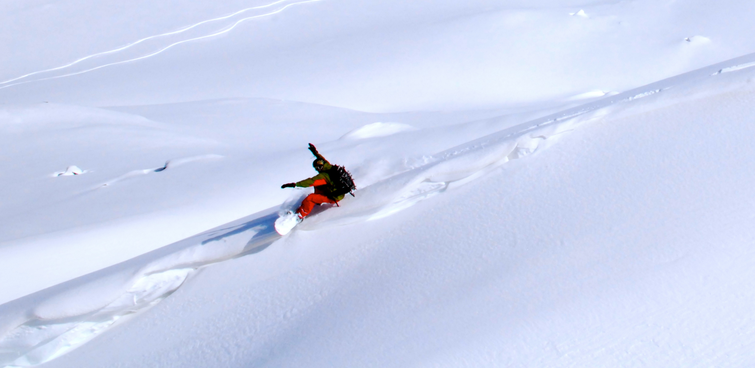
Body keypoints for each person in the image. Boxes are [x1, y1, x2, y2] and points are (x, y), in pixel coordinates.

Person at [281, 143, 348, 220]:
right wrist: (315, 152)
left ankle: (300, 216)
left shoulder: (324, 175)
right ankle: (318, 201)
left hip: (334, 197)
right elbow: (322, 159)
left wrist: (294, 184)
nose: (316, 169)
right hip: (339, 192)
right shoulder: (329, 167)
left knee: (310, 198)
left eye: (317, 168)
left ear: (320, 167)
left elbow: (310, 181)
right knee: (318, 185)